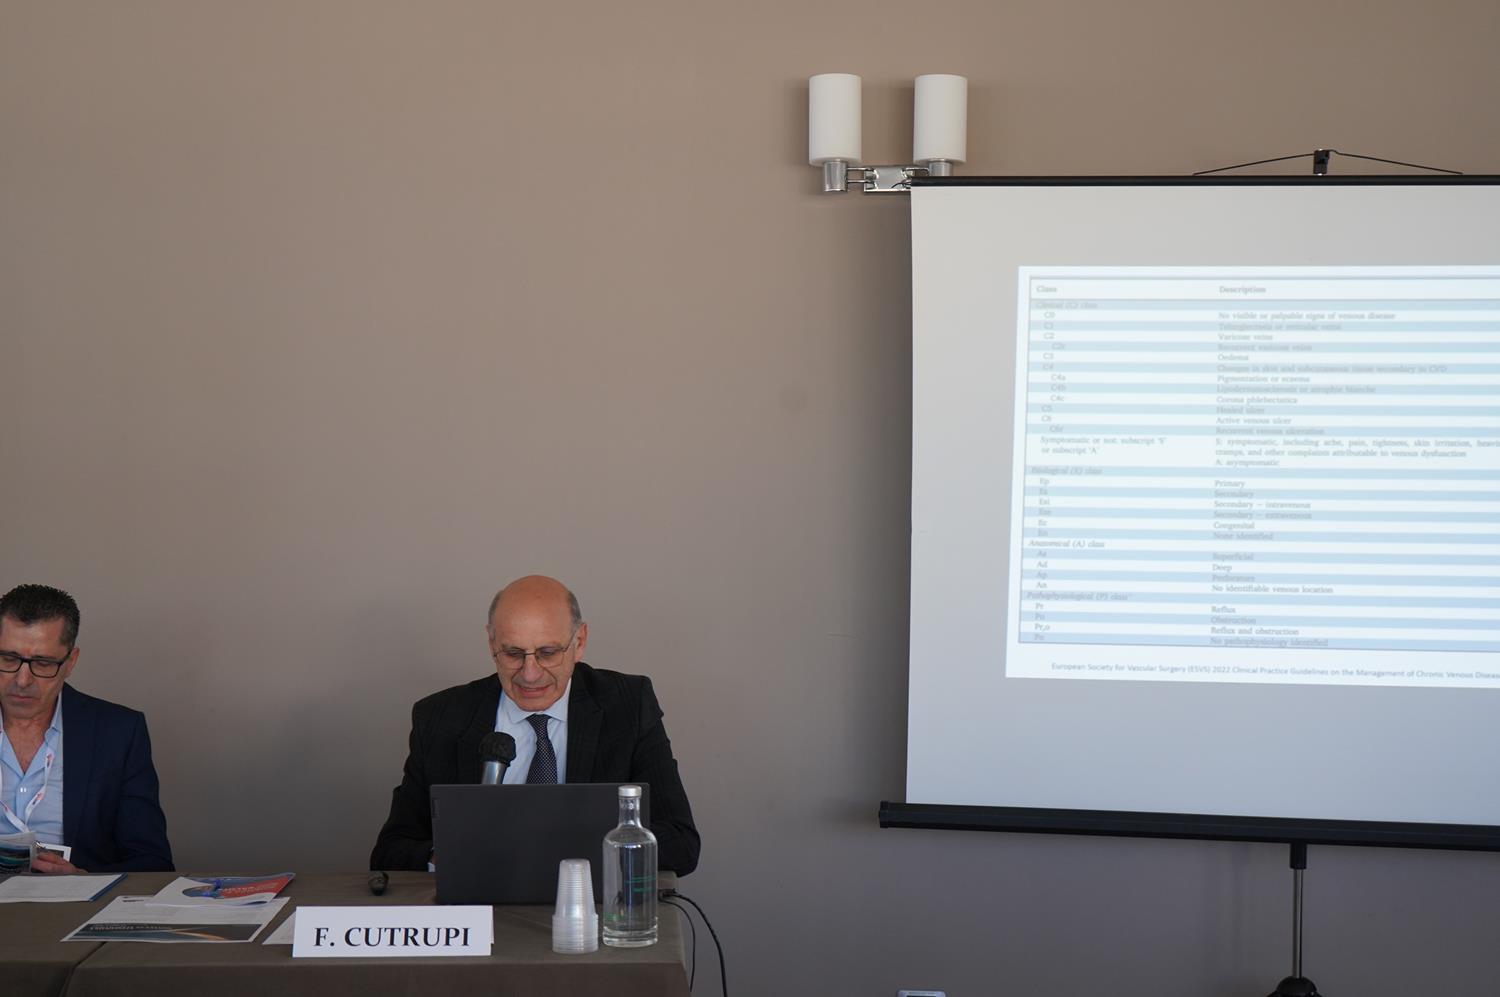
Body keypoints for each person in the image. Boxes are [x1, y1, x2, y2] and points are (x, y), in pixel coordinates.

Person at [371, 575, 700, 875]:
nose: (530, 674)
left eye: (547, 653)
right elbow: (390, 852)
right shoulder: (440, 717)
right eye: (513, 654)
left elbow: (681, 844)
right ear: (491, 643)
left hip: (592, 911)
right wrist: (448, 857)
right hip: (479, 911)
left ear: (579, 642)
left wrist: (553, 851)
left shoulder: (627, 705)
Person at [0, 584, 173, 873]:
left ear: (70, 663)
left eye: (43, 663)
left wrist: (83, 879)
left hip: (74, 898)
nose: (22, 680)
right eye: (9, 659)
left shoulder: (117, 732)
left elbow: (153, 863)